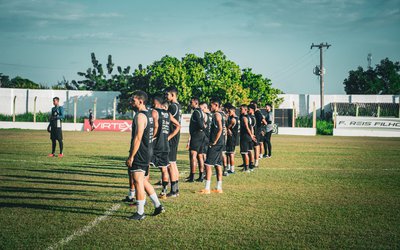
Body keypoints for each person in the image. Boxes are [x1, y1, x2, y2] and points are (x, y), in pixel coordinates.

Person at [126, 90, 164, 220]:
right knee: (142, 180)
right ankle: (158, 206)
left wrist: (131, 156)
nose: (131, 102)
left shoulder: (140, 116)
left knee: (137, 181)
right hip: (148, 151)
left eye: (133, 100)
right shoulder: (148, 114)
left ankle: (140, 212)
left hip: (141, 153)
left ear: (140, 101)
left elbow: (138, 137)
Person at [151, 95, 180, 199]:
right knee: (164, 168)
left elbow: (156, 126)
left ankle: (141, 190)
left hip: (156, 145)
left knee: (146, 168)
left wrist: (152, 137)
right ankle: (164, 192)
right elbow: (178, 125)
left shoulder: (154, 112)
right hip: (165, 145)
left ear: (156, 102)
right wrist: (168, 137)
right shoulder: (168, 114)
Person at [199, 98, 225, 194]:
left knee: (208, 165)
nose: (210, 107)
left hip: (216, 144)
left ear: (216, 105)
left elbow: (220, 129)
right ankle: (219, 187)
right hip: (221, 143)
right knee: (218, 165)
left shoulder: (217, 115)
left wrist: (214, 141)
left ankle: (207, 188)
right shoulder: (222, 114)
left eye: (211, 105)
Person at [165, 86, 182, 197]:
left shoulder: (172, 107)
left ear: (173, 95)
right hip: (176, 137)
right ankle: (175, 189)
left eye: (167, 94)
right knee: (173, 163)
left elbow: (176, 124)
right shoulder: (178, 106)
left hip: (172, 136)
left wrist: (168, 137)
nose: (165, 96)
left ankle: (173, 191)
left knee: (170, 164)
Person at [187, 97, 206, 182]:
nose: (190, 104)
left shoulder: (196, 112)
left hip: (197, 135)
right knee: (200, 156)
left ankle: (192, 177)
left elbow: (201, 124)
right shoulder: (201, 111)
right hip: (201, 135)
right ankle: (201, 176)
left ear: (195, 103)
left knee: (193, 155)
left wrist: (202, 127)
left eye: (191, 102)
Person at [239, 104, 255, 172]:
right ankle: (251, 165)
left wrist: (251, 135)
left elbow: (247, 127)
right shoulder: (249, 117)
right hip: (249, 137)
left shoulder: (244, 117)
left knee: (244, 153)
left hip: (245, 136)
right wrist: (252, 134)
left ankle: (246, 168)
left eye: (241, 109)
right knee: (249, 151)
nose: (240, 110)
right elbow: (251, 127)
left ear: (245, 109)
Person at [226, 105, 238, 174]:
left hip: (232, 138)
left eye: (229, 111)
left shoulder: (233, 119)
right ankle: (228, 167)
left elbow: (228, 127)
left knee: (231, 154)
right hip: (231, 138)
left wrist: (227, 129)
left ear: (233, 111)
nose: (228, 112)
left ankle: (232, 169)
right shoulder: (233, 118)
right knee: (228, 153)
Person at [247, 104, 258, 171]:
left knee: (250, 150)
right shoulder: (251, 116)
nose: (248, 110)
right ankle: (250, 164)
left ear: (253, 110)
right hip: (251, 135)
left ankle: (251, 164)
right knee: (249, 150)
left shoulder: (253, 118)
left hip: (252, 136)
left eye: (249, 109)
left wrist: (252, 135)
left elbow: (252, 128)